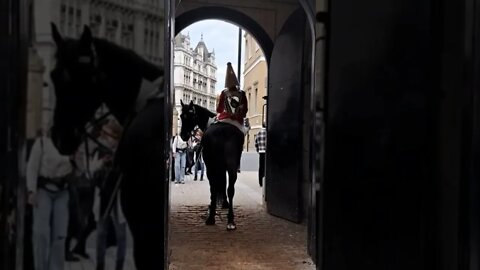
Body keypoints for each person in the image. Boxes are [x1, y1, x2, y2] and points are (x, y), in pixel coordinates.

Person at [26, 128, 74, 270]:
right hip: (44, 189)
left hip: (62, 191)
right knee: (41, 234)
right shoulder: (42, 142)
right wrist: (31, 190)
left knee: (59, 235)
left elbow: (81, 168)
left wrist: (75, 159)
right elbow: (32, 167)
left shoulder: (72, 145)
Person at [94, 118, 127, 270]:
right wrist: (102, 163)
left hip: (119, 195)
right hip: (104, 195)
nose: (104, 137)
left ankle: (119, 266)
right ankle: (100, 265)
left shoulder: (123, 152)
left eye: (107, 135)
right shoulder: (100, 150)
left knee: (121, 234)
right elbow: (91, 170)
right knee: (101, 232)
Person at [216, 62, 248, 134]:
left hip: (223, 118)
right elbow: (245, 110)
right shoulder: (242, 94)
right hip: (237, 120)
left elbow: (219, 109)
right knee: (242, 133)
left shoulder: (224, 93)